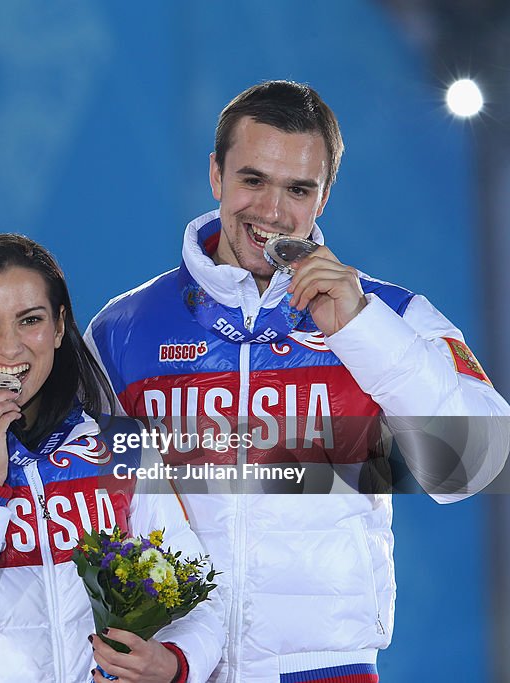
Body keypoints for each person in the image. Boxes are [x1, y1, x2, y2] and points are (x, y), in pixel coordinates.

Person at [85, 80, 510, 682]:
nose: (272, 212)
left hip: (324, 668)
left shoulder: (393, 317)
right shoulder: (121, 330)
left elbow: (477, 465)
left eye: (298, 189)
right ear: (216, 175)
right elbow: (88, 505)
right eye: (252, 180)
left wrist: (360, 329)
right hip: (171, 668)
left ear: (324, 196)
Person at [0, 234, 225, 682]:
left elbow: (199, 594)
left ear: (58, 326)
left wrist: (175, 662)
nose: (11, 348)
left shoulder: (122, 448)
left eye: (29, 320)